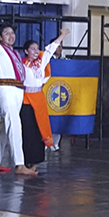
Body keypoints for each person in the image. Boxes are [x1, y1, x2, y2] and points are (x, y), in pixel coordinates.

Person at [20, 30, 68, 171]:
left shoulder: (41, 63)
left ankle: (35, 161)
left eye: (37, 48)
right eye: (32, 48)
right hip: (26, 100)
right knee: (27, 130)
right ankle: (24, 161)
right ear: (26, 51)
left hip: (39, 99)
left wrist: (63, 35)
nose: (36, 51)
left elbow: (51, 48)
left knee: (38, 129)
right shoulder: (21, 64)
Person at [0, 24, 37, 176]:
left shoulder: (14, 53)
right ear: (0, 37)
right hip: (6, 88)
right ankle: (19, 164)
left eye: (12, 33)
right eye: (6, 33)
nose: (10, 36)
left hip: (18, 90)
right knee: (14, 124)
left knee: (3, 129)